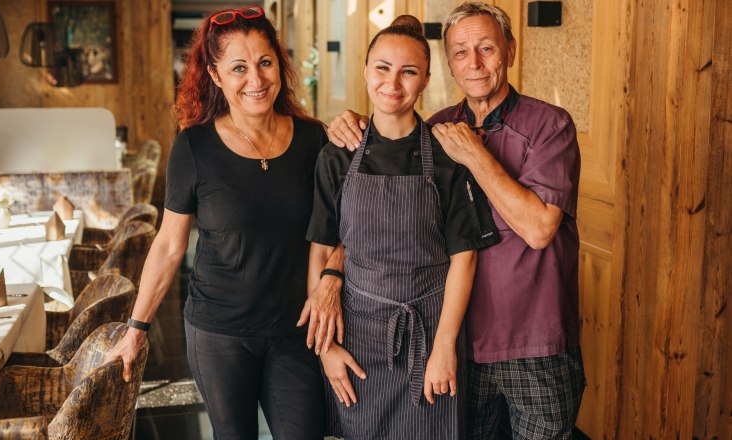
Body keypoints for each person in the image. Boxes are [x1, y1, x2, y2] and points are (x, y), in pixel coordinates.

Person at [325, 3, 585, 439]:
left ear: (511, 51)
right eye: (461, 52)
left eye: (487, 48)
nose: (474, 62)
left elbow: (540, 229)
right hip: (455, 344)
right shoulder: (437, 129)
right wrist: (348, 127)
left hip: (534, 345)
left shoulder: (549, 125)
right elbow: (375, 217)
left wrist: (476, 155)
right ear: (446, 65)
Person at [106, 6, 339, 439]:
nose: (256, 79)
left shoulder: (314, 139)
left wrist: (331, 277)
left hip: (295, 330)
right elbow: (169, 245)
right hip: (219, 333)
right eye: (239, 68)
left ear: (279, 64)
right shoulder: (194, 147)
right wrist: (137, 328)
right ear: (215, 76)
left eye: (265, 62)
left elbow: (341, 225)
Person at [307, 15, 500, 439]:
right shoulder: (337, 156)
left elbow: (463, 261)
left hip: (429, 336)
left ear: (426, 80)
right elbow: (321, 252)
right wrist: (327, 350)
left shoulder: (447, 155)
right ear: (365, 70)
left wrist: (445, 347)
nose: (393, 83)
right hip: (355, 340)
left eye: (408, 71)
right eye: (382, 68)